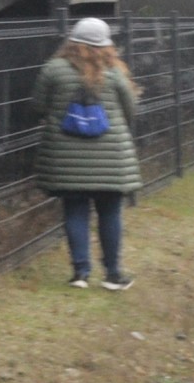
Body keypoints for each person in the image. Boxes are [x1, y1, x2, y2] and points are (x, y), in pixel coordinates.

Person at [33, 16, 141, 290]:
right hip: (111, 157)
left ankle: (80, 274)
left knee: (75, 210)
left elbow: (38, 106)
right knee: (110, 212)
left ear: (72, 42)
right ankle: (113, 274)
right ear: (105, 45)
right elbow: (131, 111)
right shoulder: (115, 72)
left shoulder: (53, 70)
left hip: (66, 157)